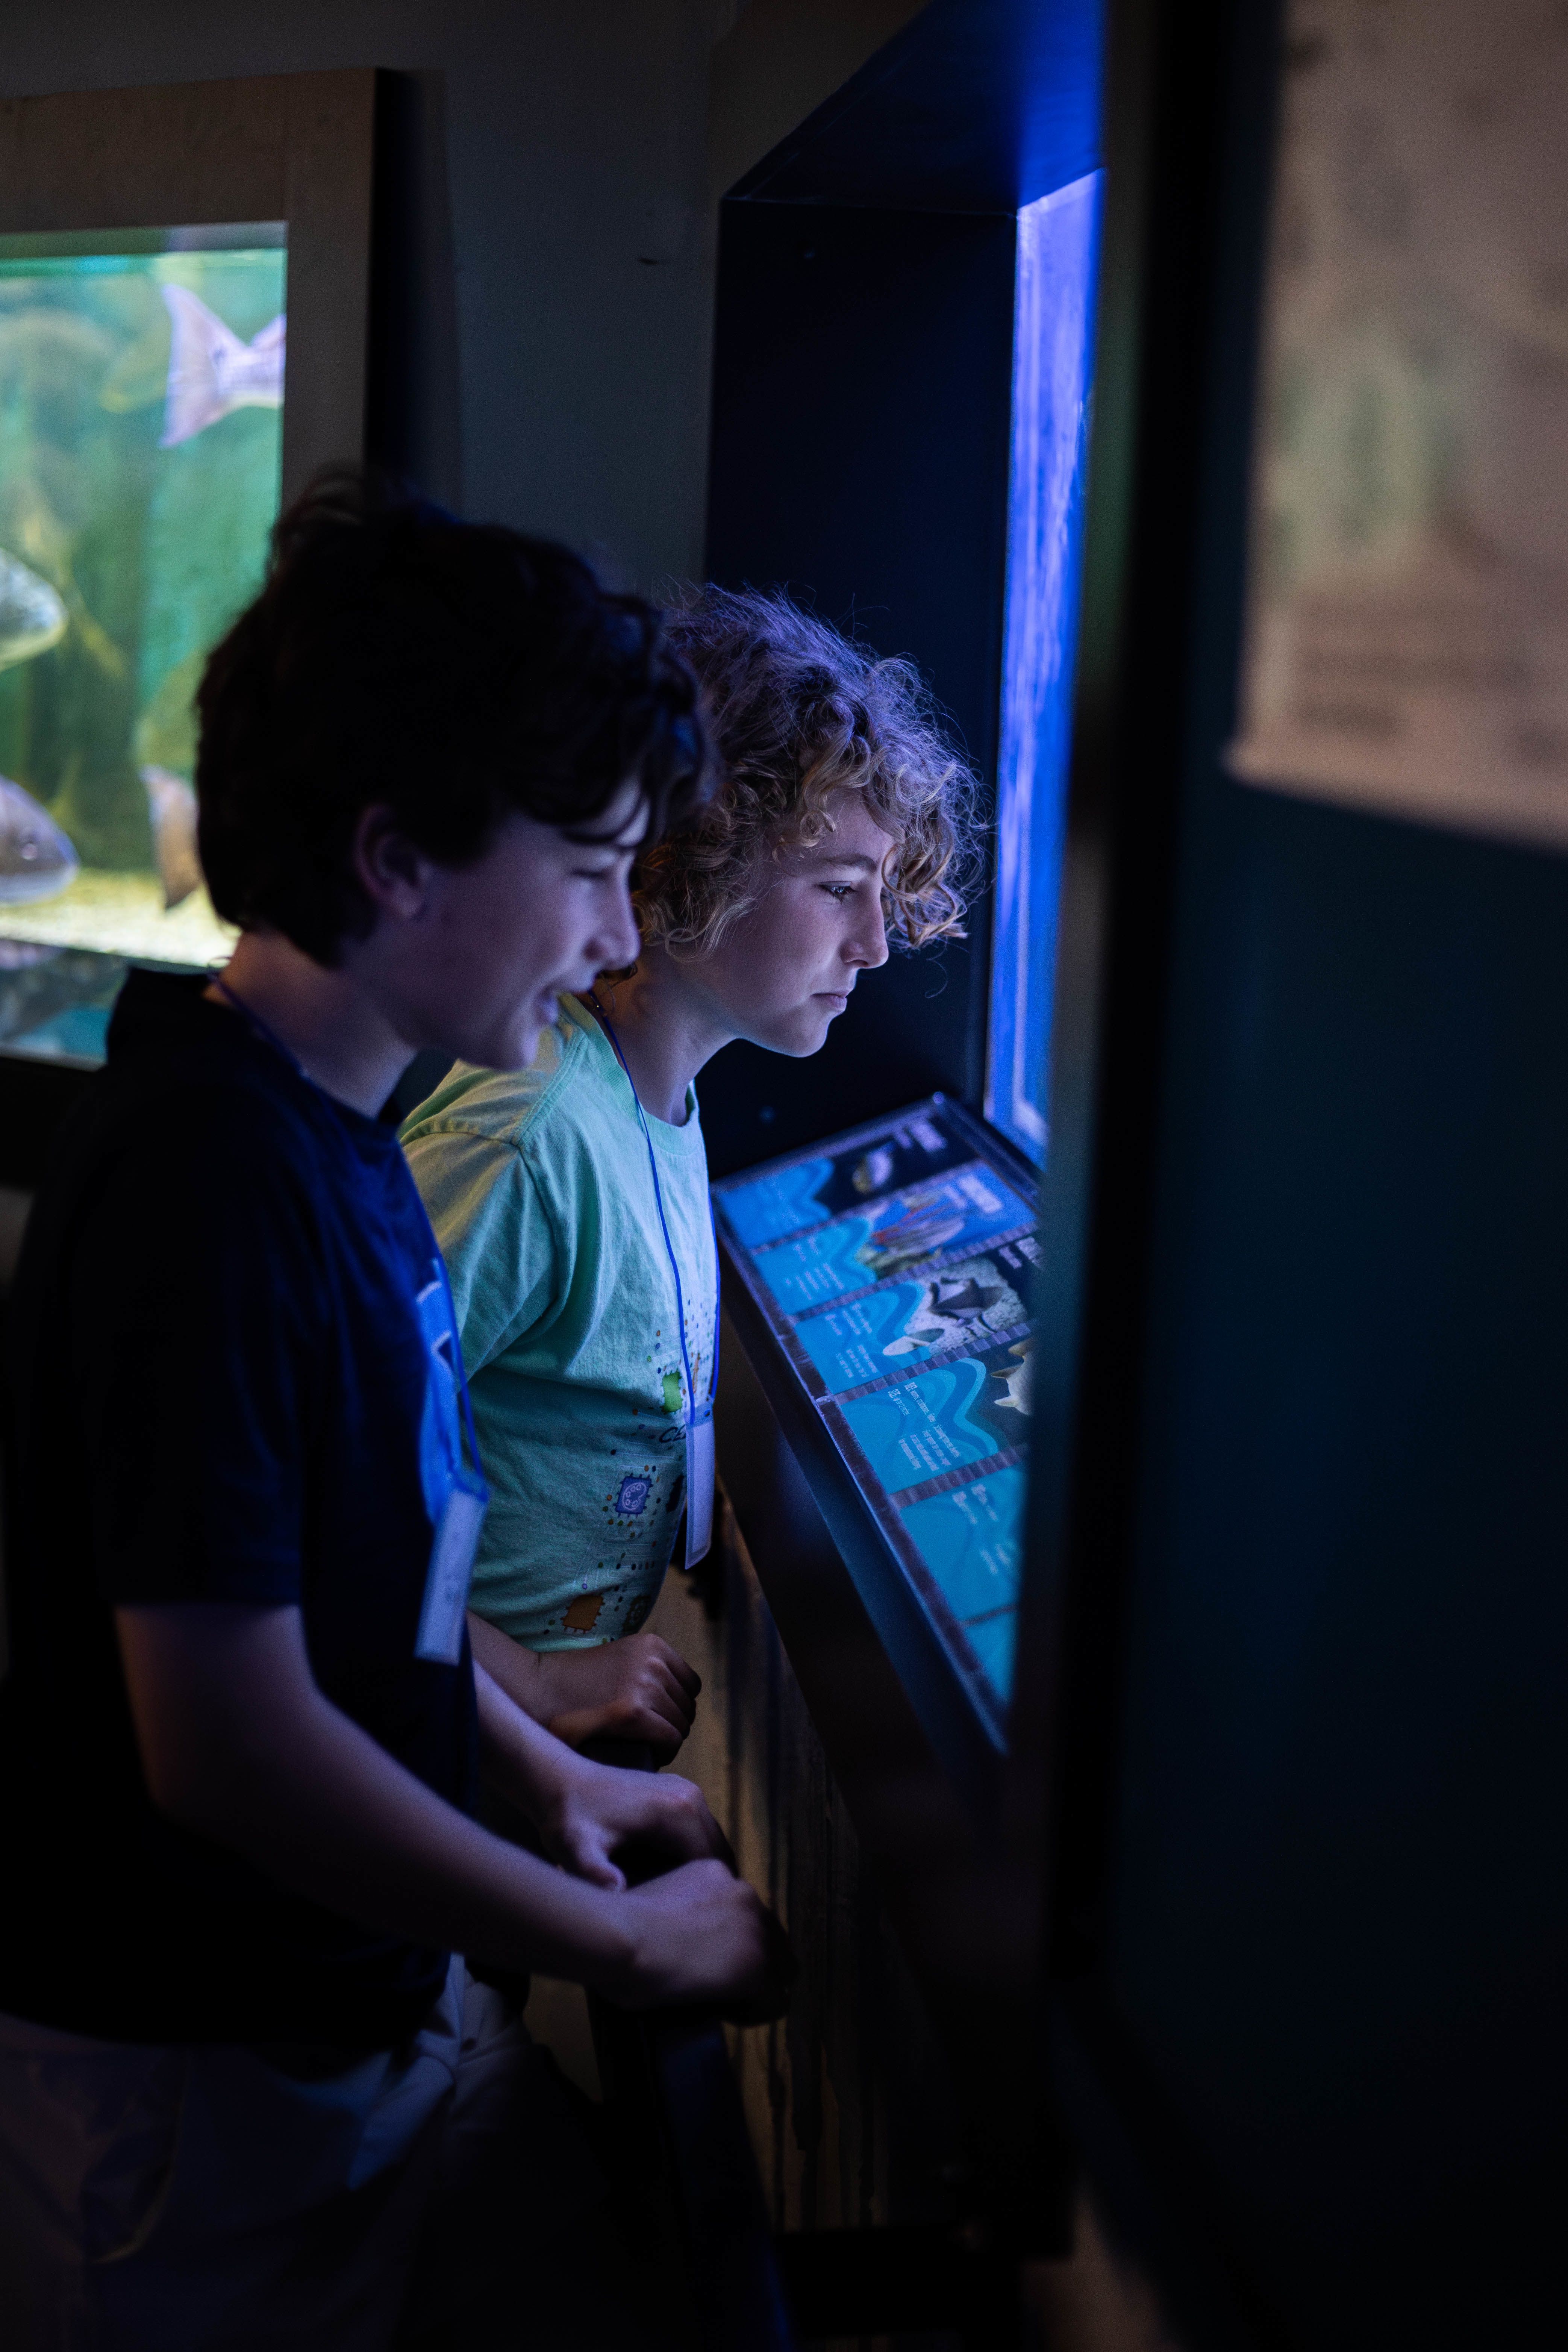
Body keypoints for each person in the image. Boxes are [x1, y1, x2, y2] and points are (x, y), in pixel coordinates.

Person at [0, 479, 788, 2351]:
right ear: (394, 859)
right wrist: (604, 1934)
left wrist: (551, 1784)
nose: (618, 924)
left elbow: (380, 1610)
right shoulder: (208, 1185)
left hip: (349, 2016)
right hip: (190, 2087)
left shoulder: (335, 1137)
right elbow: (232, 1741)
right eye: (591, 862)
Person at [401, 585, 976, 1759]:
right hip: (421, 1742)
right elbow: (325, 1472)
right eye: (835, 887)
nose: (873, 943)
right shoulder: (529, 1137)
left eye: (880, 891)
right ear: (683, 861)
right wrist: (531, 1684)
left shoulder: (657, 1100)